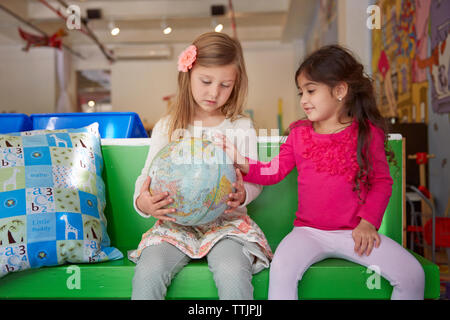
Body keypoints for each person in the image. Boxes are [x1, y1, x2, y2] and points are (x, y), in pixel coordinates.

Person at [215, 45, 425, 300]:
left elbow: (382, 183)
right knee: (281, 269)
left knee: (413, 274)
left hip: (355, 233)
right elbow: (274, 170)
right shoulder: (299, 133)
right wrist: (241, 162)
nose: (304, 99)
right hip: (307, 232)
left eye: (311, 91)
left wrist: (368, 224)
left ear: (340, 90)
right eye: (301, 92)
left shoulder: (367, 133)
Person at [129, 32, 273, 300]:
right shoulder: (168, 126)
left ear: (236, 84)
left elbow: (254, 180)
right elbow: (146, 178)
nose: (214, 92)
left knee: (232, 270)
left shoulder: (240, 126)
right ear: (188, 75)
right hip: (174, 226)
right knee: (149, 271)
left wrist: (245, 194)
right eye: (206, 81)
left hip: (227, 225)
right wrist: (143, 203)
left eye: (225, 85)